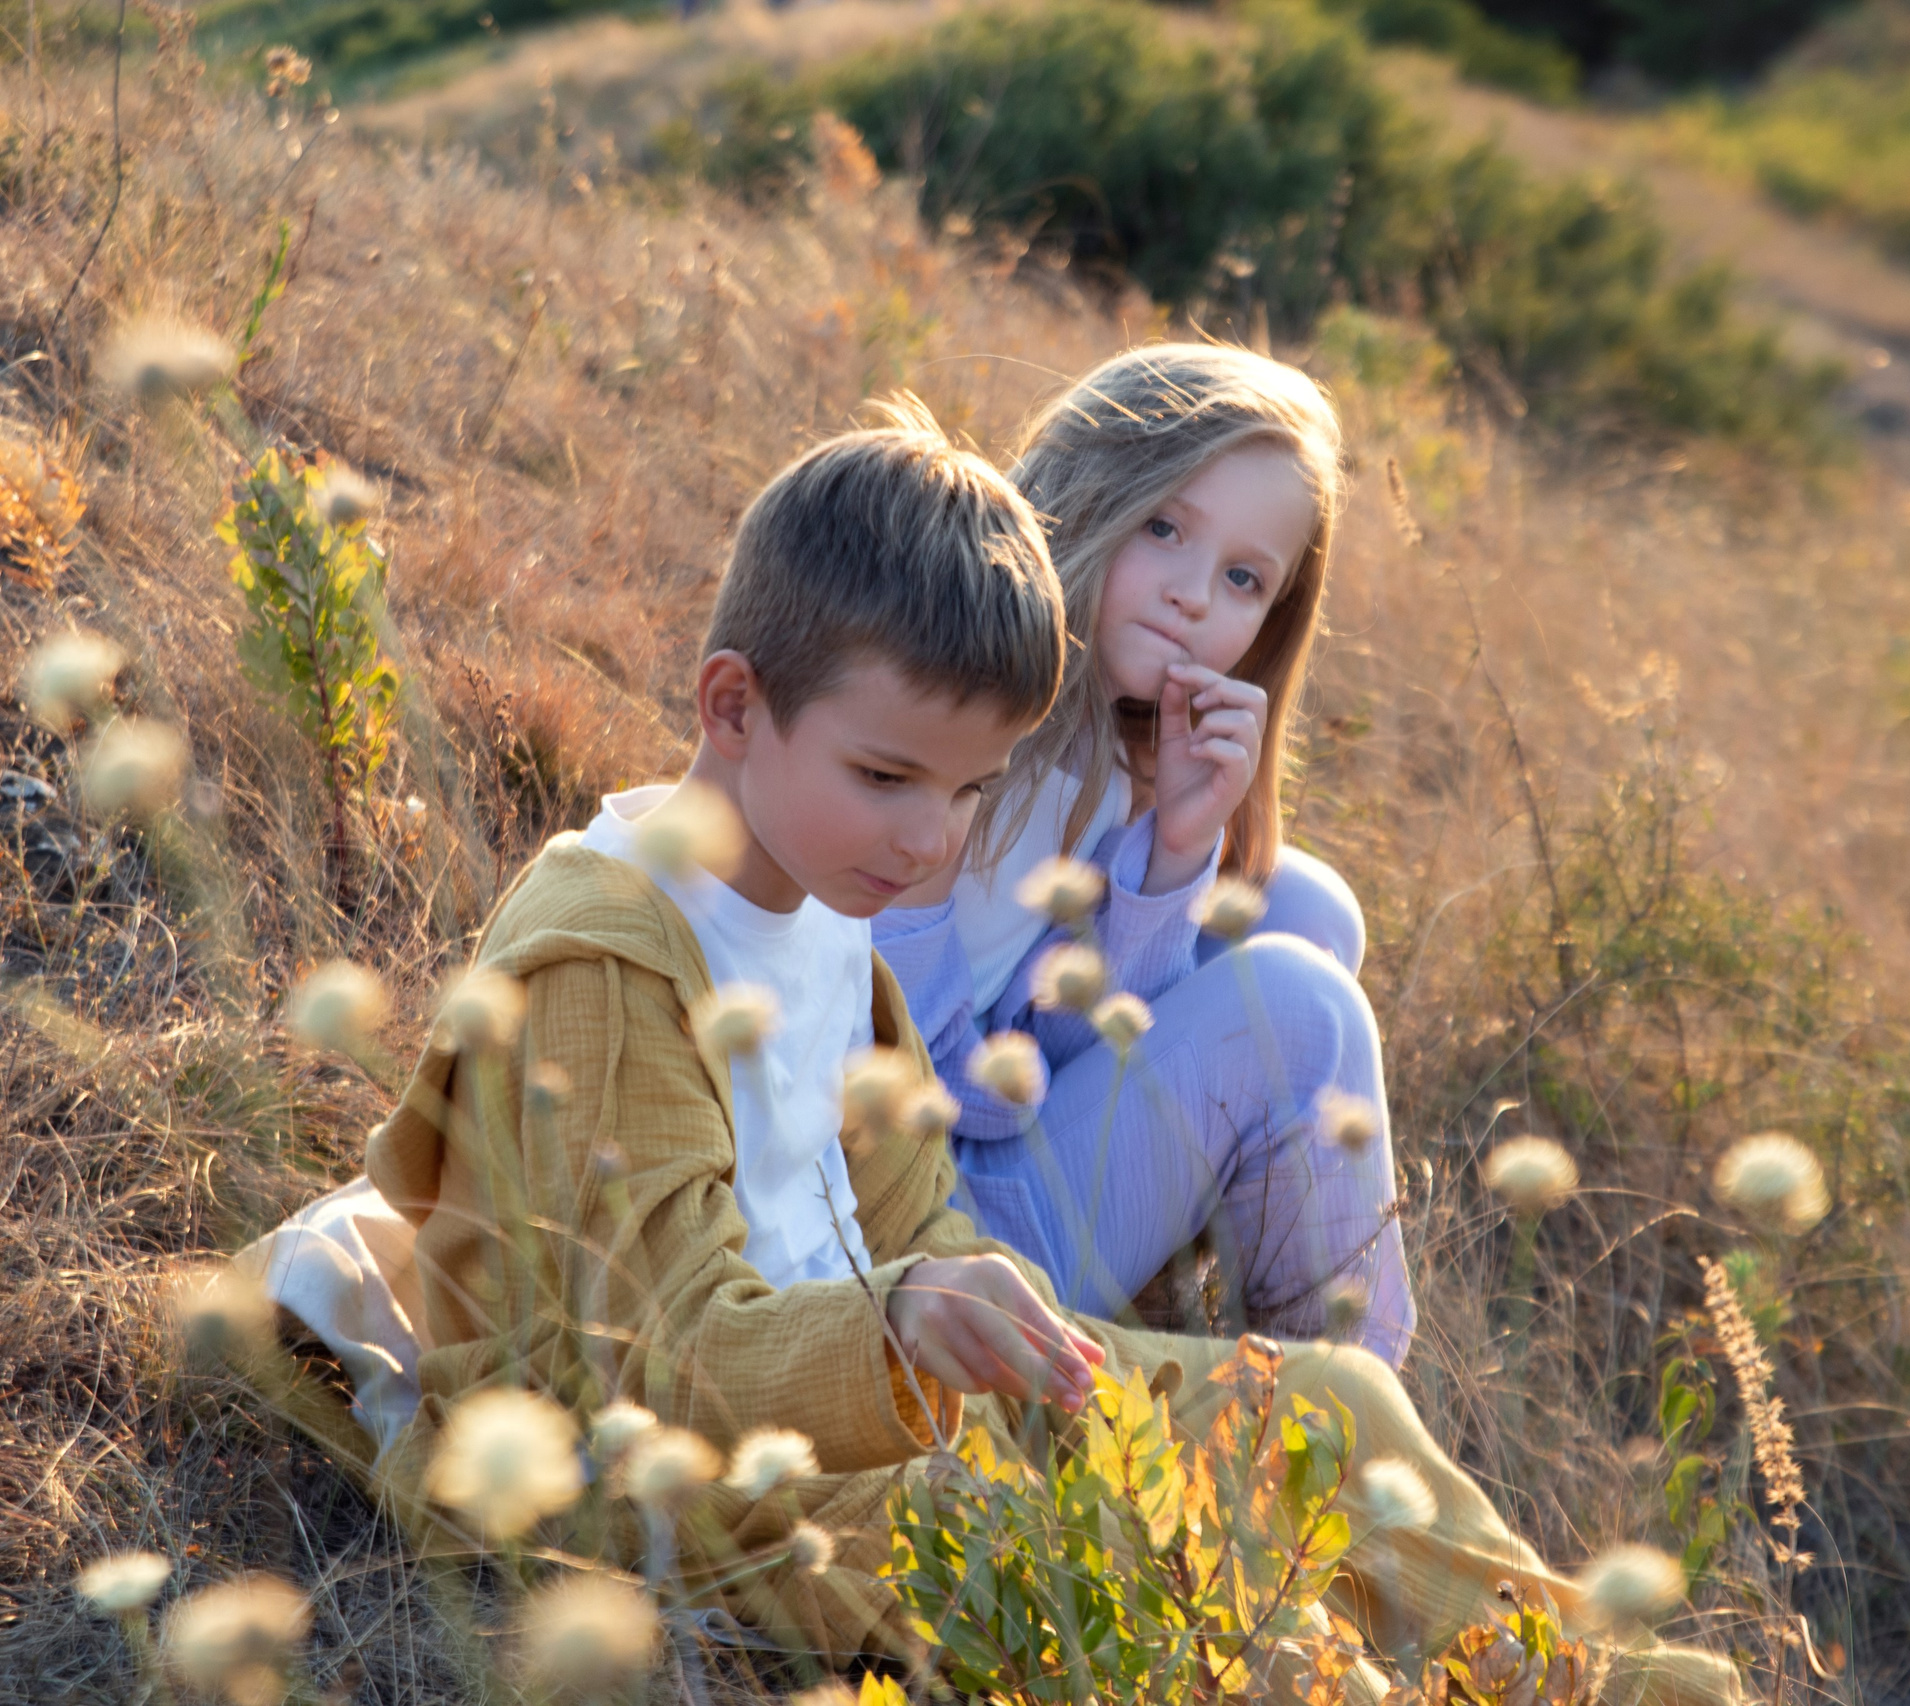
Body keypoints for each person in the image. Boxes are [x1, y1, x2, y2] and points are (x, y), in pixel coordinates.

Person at [239, 404, 1744, 1703]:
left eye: (970, 789)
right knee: (1211, 1607)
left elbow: (910, 1214)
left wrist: (998, 1314)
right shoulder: (612, 955)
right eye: (888, 775)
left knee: (1331, 1405)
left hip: (873, 1411)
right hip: (721, 1487)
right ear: (732, 703)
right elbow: (655, 1360)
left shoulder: (825, 904)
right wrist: (900, 1326)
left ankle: (1583, 1671)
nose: (931, 838)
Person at [877, 344, 1409, 1366]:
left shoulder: (1115, 743)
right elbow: (923, 1079)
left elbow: (1069, 1036)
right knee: (1301, 1009)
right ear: (1086, 491)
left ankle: (1263, 1346)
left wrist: (1174, 849)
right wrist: (1036, 1058)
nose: (1194, 597)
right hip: (926, 1231)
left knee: (1303, 907)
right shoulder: (967, 726)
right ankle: (1344, 1411)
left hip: (993, 1136)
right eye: (1163, 527)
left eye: (1243, 577)